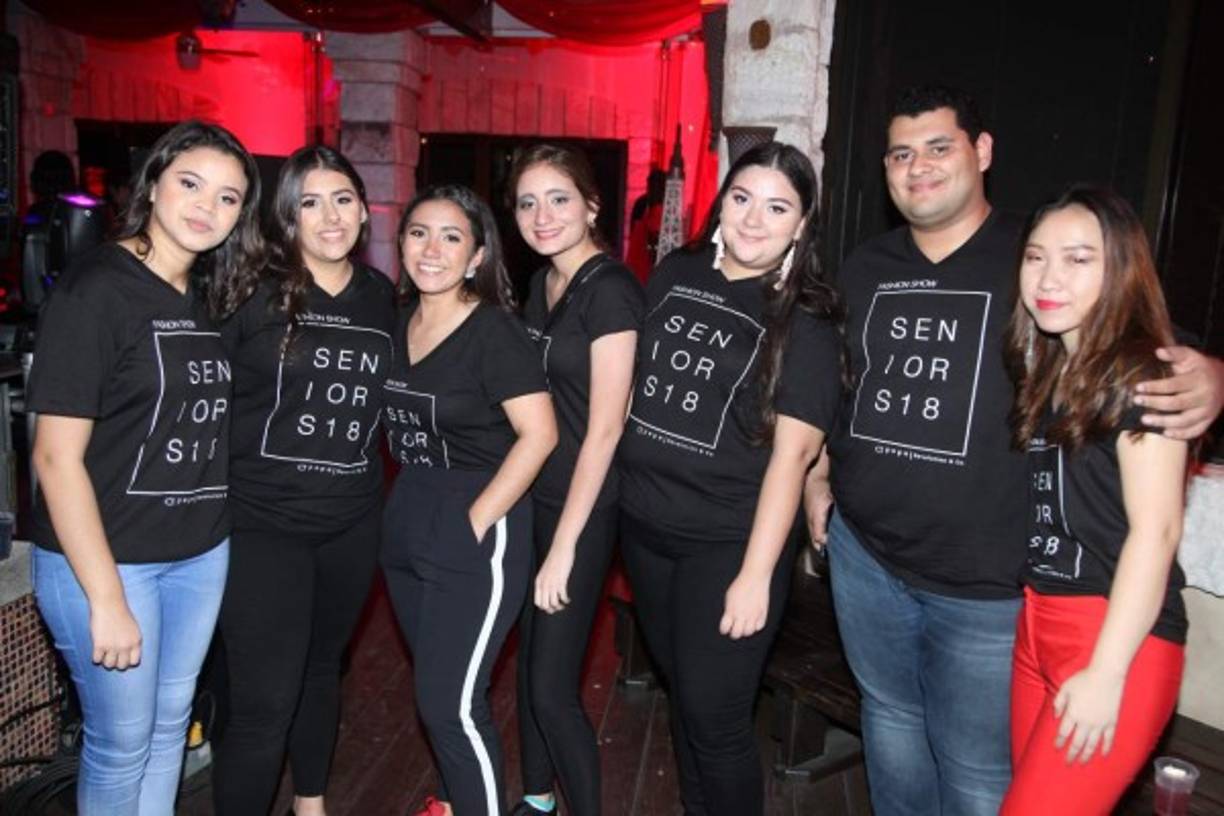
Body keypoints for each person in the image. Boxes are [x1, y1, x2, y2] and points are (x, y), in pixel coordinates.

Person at [803, 84, 1223, 815]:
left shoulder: (1037, 255)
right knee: (892, 731)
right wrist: (818, 484)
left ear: (982, 152)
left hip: (989, 594)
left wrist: (1212, 375)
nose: (919, 167)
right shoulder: (865, 267)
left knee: (980, 778)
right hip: (865, 561)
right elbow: (837, 392)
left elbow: (1143, 335)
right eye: (901, 153)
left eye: (940, 147)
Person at [26, 120, 262, 816]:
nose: (206, 208)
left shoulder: (207, 292)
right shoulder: (98, 287)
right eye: (191, 184)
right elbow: (54, 456)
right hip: (110, 560)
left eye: (227, 198)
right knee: (120, 743)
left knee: (169, 732)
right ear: (153, 182)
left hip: (198, 552)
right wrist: (104, 599)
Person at [617, 141, 845, 816]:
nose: (753, 219)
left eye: (777, 207)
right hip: (645, 531)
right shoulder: (676, 272)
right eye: (742, 198)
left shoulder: (807, 318)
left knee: (717, 725)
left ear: (801, 224)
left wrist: (755, 573)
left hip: (726, 544)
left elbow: (792, 458)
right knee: (687, 709)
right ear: (722, 203)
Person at [211, 145, 395, 816]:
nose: (329, 216)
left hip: (351, 521)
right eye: (309, 203)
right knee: (264, 701)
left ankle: (311, 805)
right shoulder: (251, 292)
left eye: (342, 198)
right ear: (286, 216)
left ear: (364, 209)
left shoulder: (383, 298)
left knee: (323, 670)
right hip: (264, 524)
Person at [999, 186, 1189, 813]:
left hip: (1116, 638)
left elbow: (1156, 532)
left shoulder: (1144, 376)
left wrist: (1109, 673)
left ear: (1120, 271)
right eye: (1036, 256)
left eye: (1078, 259)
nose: (1050, 276)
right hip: (1039, 623)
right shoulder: (1054, 367)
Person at [380, 184, 557, 816]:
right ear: (400, 243)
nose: (432, 249)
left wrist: (476, 521)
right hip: (406, 520)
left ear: (477, 256)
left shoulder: (494, 333)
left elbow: (541, 434)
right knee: (439, 692)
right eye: (419, 232)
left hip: (479, 526)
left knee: (450, 706)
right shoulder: (400, 321)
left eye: (452, 236)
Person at [506, 144, 644, 816]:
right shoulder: (543, 285)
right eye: (528, 202)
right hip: (535, 498)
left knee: (552, 689)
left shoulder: (612, 290)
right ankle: (536, 800)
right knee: (533, 667)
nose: (542, 215)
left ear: (592, 206)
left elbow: (606, 427)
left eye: (558, 198)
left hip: (580, 510)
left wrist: (565, 544)